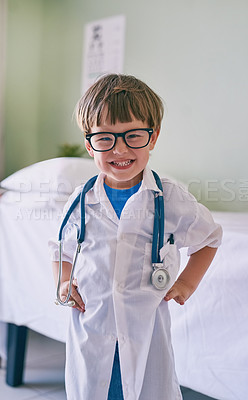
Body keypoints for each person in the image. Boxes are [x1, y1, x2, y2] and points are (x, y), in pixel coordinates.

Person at [49, 74, 222, 400]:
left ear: (153, 137)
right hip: (92, 327)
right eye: (105, 138)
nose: (120, 149)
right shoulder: (80, 199)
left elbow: (209, 238)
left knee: (146, 389)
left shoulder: (169, 197)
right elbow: (61, 248)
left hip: (145, 329)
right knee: (94, 388)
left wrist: (186, 283)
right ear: (89, 144)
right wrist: (63, 281)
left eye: (133, 136)